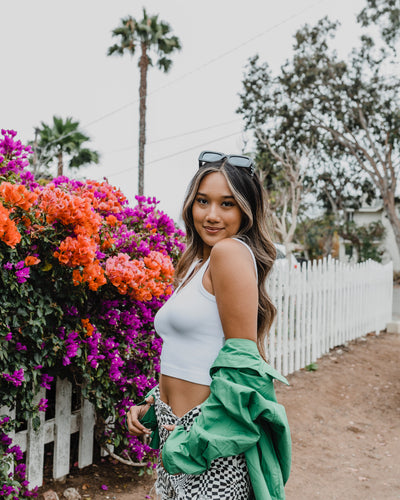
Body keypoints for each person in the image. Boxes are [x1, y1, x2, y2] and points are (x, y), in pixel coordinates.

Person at [127, 151, 291, 500]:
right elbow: (191, 352)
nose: (212, 215)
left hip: (207, 438)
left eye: (227, 204)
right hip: (179, 427)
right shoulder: (194, 262)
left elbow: (240, 366)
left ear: (245, 211)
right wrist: (152, 404)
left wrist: (197, 436)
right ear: (191, 204)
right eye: (203, 201)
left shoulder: (228, 252)